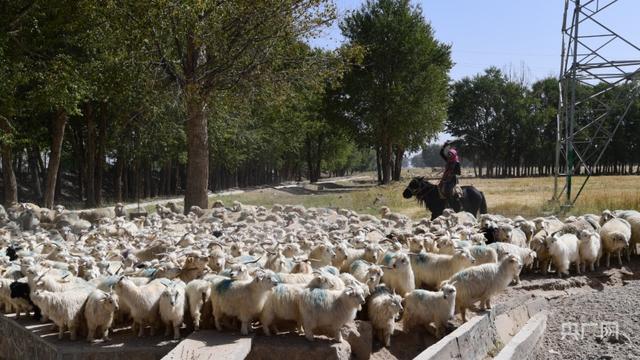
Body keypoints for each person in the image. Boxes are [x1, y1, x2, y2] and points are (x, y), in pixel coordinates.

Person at [439, 140, 462, 208]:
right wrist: (444, 146)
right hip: (445, 178)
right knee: (439, 189)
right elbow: (441, 153)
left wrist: (451, 174)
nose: (449, 156)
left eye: (450, 154)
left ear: (453, 155)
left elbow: (458, 173)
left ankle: (454, 204)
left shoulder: (456, 163)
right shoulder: (448, 160)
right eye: (448, 154)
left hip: (453, 179)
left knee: (448, 190)